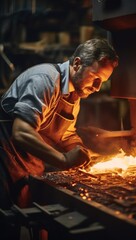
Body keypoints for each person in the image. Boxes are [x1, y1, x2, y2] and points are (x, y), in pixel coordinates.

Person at [0, 38, 118, 209]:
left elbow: (66, 134)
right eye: (95, 77)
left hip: (28, 163)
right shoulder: (45, 80)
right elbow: (21, 132)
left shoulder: (73, 96)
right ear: (77, 64)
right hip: (5, 161)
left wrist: (81, 152)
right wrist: (64, 160)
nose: (97, 88)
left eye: (102, 82)